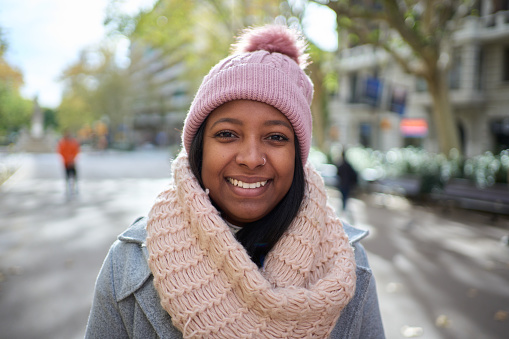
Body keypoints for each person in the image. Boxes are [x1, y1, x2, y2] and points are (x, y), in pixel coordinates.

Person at [85, 24, 384, 339]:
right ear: (200, 149)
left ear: (298, 155)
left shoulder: (347, 263)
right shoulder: (126, 265)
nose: (251, 157)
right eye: (227, 134)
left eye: (276, 137)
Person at [57, 130, 80, 197]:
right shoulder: (63, 143)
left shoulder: (73, 142)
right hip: (66, 162)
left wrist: (72, 159)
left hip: (72, 162)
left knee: (74, 176)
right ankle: (67, 188)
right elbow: (61, 152)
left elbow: (76, 150)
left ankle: (75, 187)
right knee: (67, 176)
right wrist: (67, 159)